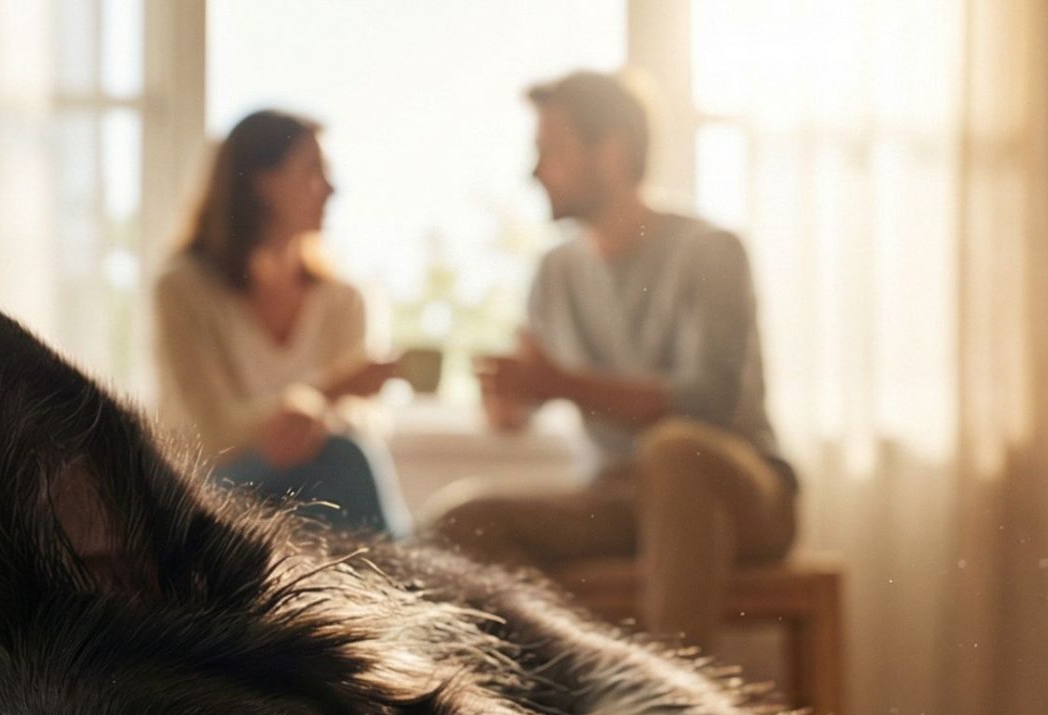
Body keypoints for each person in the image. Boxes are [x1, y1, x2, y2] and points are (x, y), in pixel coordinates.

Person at [426, 70, 794, 650]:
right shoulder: (554, 271)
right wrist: (510, 398)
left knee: (672, 449)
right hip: (619, 501)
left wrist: (560, 383)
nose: (534, 172)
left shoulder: (711, 250)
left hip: (738, 494)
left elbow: (709, 401)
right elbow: (524, 405)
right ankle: (564, 710)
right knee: (460, 520)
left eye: (552, 152)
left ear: (613, 152)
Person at [155, 109, 408, 536]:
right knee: (343, 461)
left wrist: (319, 422)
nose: (331, 188)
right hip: (215, 488)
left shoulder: (344, 298)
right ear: (261, 182)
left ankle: (393, 589)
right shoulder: (184, 290)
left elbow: (370, 422)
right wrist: (329, 392)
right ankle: (411, 588)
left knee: (343, 458)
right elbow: (210, 433)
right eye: (314, 171)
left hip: (317, 483)